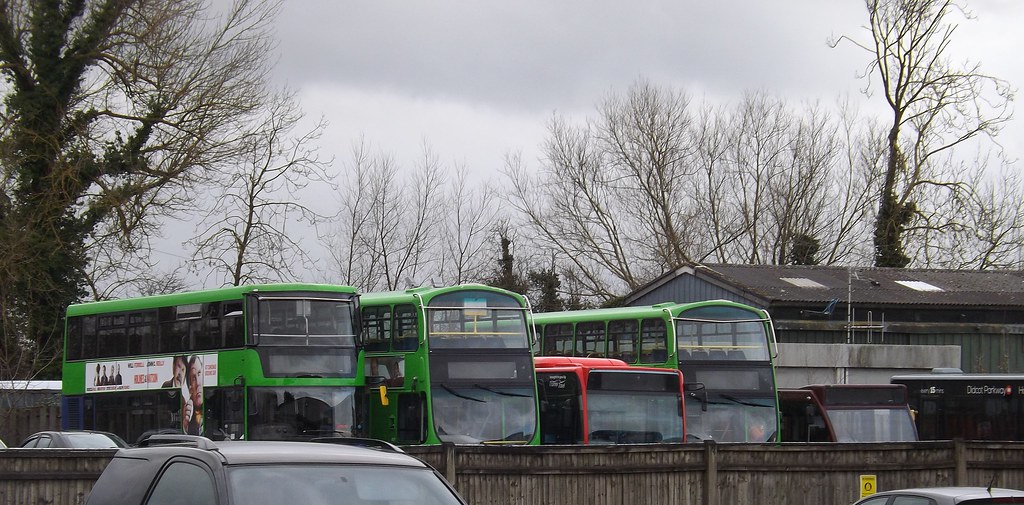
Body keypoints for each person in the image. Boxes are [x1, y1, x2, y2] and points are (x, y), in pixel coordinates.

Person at [182, 355, 204, 435]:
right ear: (190, 388)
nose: (198, 383)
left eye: (199, 374)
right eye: (193, 378)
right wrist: (185, 425)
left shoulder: (215, 402)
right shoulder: (187, 414)